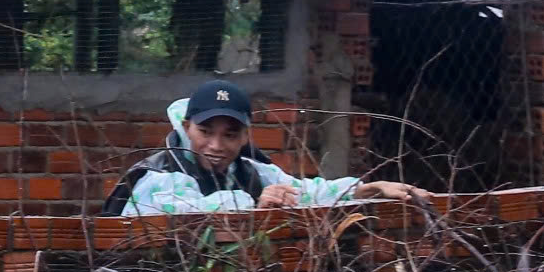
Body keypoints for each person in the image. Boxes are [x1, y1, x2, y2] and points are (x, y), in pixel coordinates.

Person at [103, 80, 426, 217]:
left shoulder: (251, 171)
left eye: (230, 135)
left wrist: (365, 190)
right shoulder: (159, 175)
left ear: (245, 136)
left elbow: (308, 193)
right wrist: (254, 205)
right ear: (187, 127)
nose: (216, 145)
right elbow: (185, 214)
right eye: (205, 131)